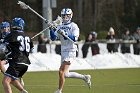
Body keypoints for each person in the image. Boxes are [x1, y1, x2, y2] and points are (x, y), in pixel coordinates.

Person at [49, 8, 91, 93]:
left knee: (61, 71)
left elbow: (75, 39)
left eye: (67, 15)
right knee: (66, 74)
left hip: (71, 51)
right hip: (63, 51)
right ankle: (85, 77)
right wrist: (51, 29)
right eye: (64, 16)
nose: (65, 17)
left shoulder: (74, 26)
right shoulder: (59, 26)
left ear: (71, 15)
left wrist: (65, 34)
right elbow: (53, 38)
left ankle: (59, 91)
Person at [2, 17, 33, 93]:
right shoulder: (27, 36)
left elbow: (2, 49)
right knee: (11, 79)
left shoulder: (11, 35)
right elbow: (31, 49)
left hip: (17, 62)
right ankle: (23, 91)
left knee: (5, 82)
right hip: (25, 64)